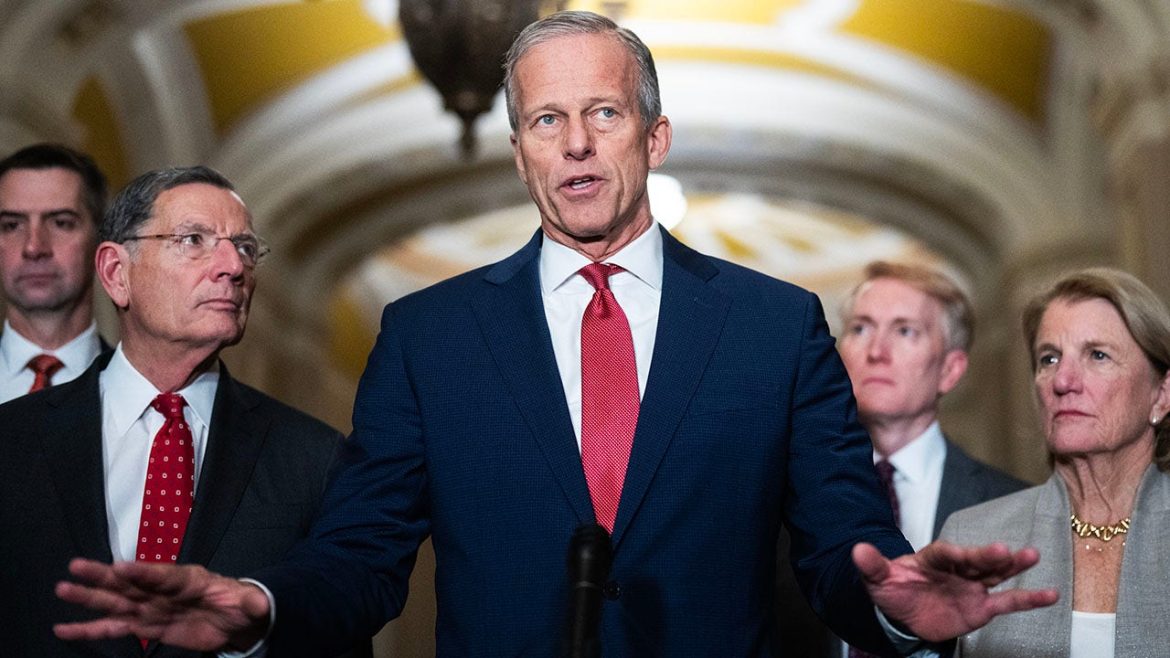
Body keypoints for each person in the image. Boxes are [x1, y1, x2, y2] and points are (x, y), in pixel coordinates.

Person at [52, 12, 1055, 657]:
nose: (575, 143)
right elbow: (361, 557)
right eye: (545, 121)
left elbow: (845, 548)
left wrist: (896, 610)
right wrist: (260, 606)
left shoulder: (775, 327)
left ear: (654, 138)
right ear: (519, 152)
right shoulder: (429, 337)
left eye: (604, 113)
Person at [0, 166, 368, 657]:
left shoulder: (313, 458)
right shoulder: (12, 439)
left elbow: (340, 633)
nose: (232, 267)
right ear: (116, 273)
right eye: (193, 240)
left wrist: (248, 633)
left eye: (245, 248)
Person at [776, 262, 1029, 656]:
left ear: (950, 370)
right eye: (860, 328)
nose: (877, 352)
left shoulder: (1015, 507)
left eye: (905, 331)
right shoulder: (778, 502)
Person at [939, 267, 1170, 657]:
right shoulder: (974, 537)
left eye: (1098, 355)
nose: (1063, 381)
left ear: (1161, 395)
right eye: (1049, 359)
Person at [0, 143, 108, 402]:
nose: (34, 247)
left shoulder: (147, 391)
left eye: (61, 223)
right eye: (12, 225)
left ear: (102, 241)